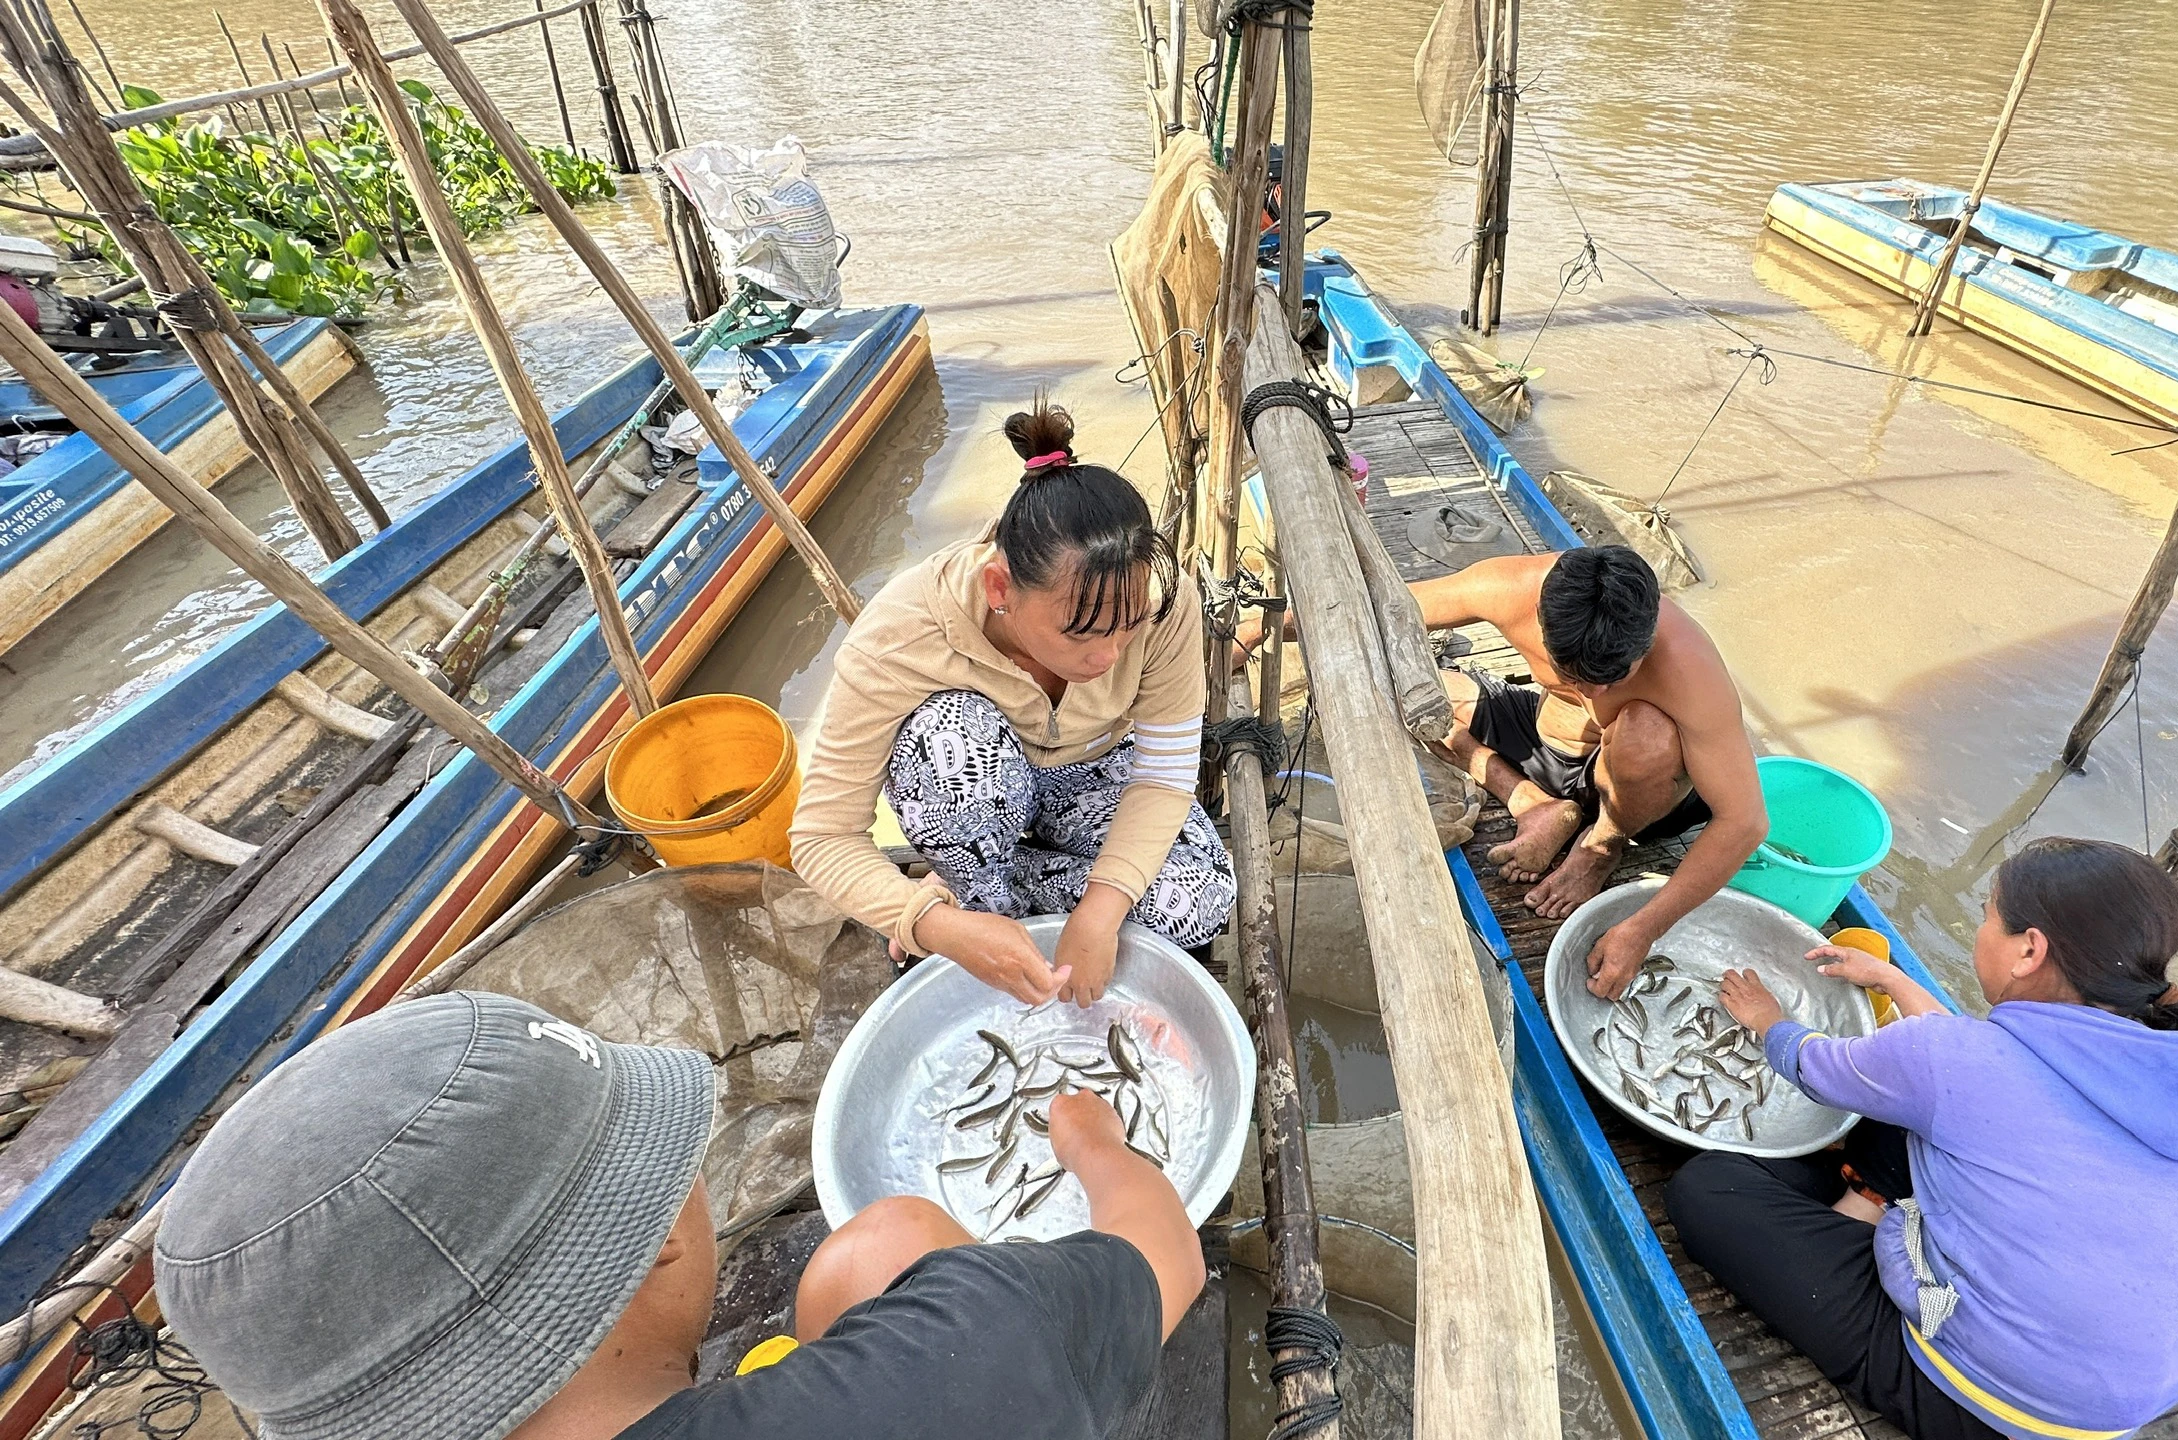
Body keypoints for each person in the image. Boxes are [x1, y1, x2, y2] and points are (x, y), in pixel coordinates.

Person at [155, 992, 1205, 1440]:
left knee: (873, 1249)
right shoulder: (950, 1365)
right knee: (903, 1247)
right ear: (656, 1237)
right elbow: (1166, 1256)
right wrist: (1092, 1146)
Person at [1668, 838, 2178, 1440]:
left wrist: (1767, 1019)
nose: (1980, 931)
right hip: (2130, 1396)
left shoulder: (1957, 1064)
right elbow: (1966, 1067)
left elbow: (1816, 1066)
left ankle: (1860, 1221)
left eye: (1989, 917)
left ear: (2029, 950)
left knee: (1711, 1187)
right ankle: (1863, 1208)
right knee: (1914, 1115)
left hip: (1991, 1406)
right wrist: (1891, 978)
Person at [791, 401, 1236, 1007]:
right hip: (974, 790)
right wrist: (930, 922)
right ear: (1000, 589)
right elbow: (822, 836)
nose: (1108, 657)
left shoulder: (1165, 602)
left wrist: (1100, 913)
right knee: (954, 733)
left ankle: (1007, 897)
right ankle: (978, 905)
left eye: (1126, 626)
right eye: (1081, 632)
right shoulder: (900, 631)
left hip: (1098, 773)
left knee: (1201, 900)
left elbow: (1163, 775)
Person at [1242, 545, 1765, 998]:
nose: (1596, 695)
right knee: (1406, 688)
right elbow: (1380, 607)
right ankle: (1532, 804)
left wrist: (1644, 928)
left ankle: (1599, 847)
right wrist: (1258, 627)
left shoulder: (1691, 668)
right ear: (1540, 618)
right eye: (1574, 676)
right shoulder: (1508, 587)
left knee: (1645, 732)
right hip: (1551, 745)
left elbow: (1743, 821)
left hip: (1644, 792)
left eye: (1614, 678)